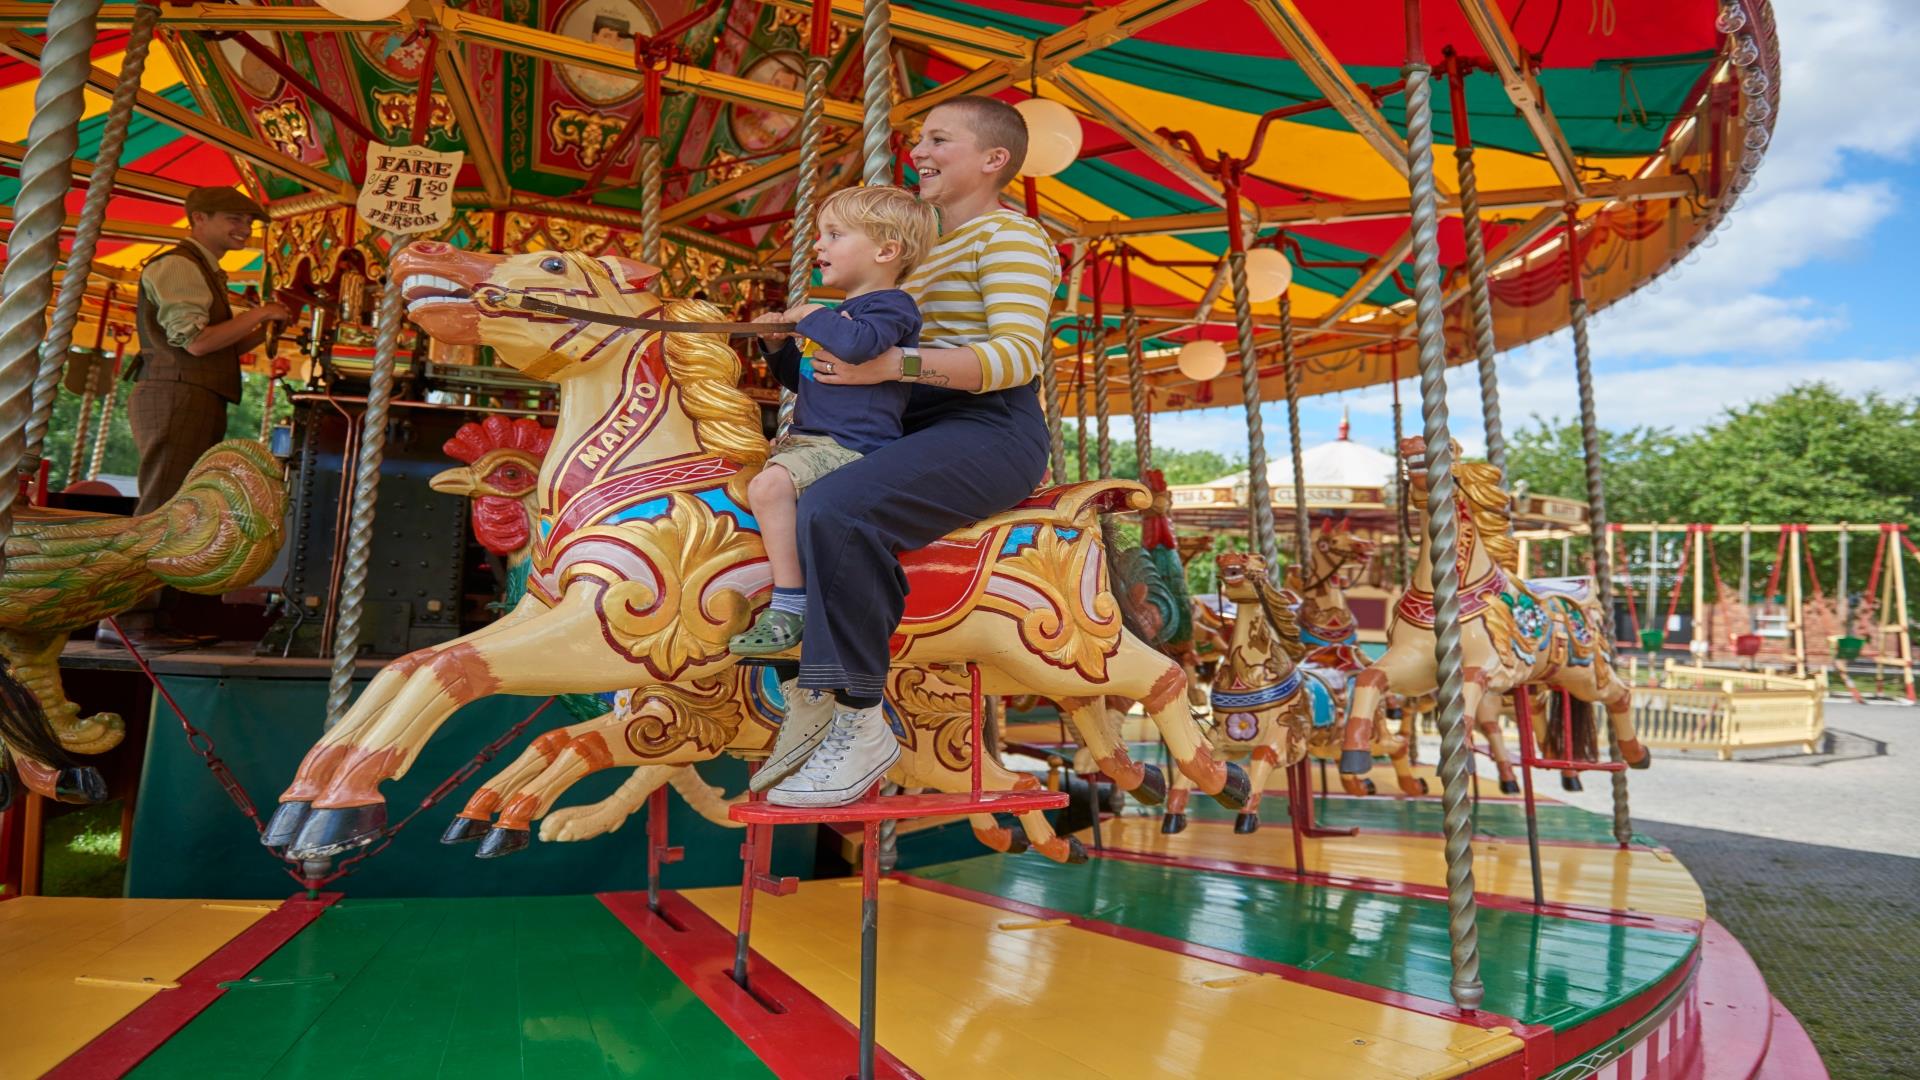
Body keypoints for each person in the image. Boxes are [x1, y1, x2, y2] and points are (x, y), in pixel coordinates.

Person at [752, 96, 1059, 808]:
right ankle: (800, 688)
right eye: (918, 138)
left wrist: (896, 368)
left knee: (840, 508)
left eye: (938, 139)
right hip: (903, 423)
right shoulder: (916, 256)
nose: (917, 150)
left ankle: (859, 717)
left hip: (989, 426)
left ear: (994, 159)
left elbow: (1016, 355)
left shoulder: (1008, 239)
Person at [731, 185, 937, 660]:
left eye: (835, 234)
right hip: (809, 440)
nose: (818, 245)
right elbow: (809, 380)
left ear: (886, 250)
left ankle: (789, 605)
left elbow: (860, 346)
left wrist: (810, 315)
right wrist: (777, 345)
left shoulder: (890, 307)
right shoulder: (840, 315)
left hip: (851, 447)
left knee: (766, 490)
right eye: (820, 233)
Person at [100, 186, 288, 647]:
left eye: (248, 223)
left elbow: (216, 345)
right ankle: (126, 618)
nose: (243, 229)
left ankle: (155, 615)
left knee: (183, 510)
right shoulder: (179, 265)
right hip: (177, 393)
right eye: (233, 219)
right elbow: (197, 342)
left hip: (196, 391)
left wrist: (260, 325)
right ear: (198, 218)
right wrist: (260, 311)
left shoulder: (205, 270)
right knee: (163, 506)